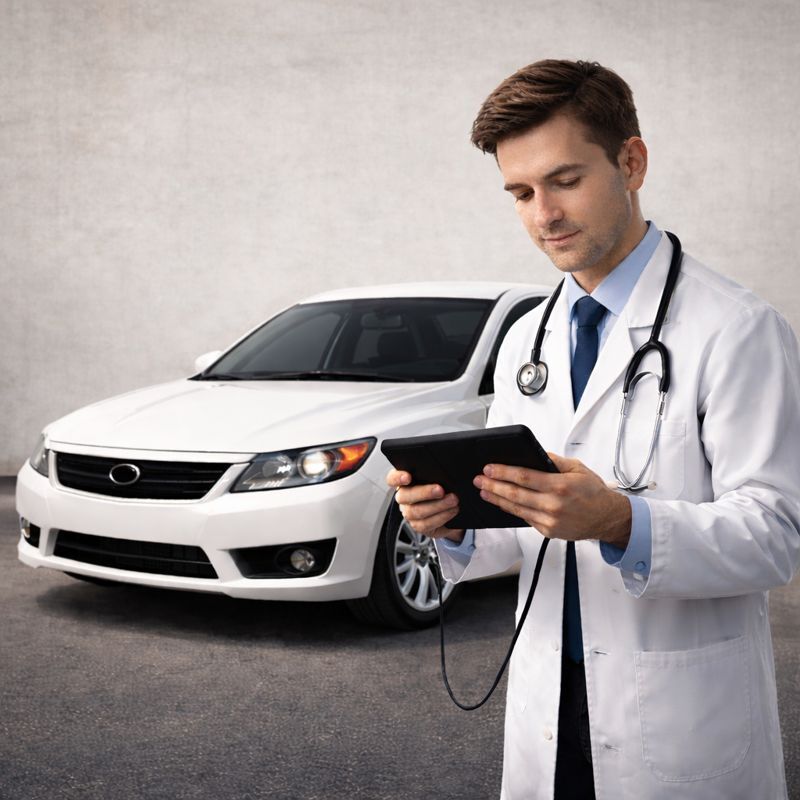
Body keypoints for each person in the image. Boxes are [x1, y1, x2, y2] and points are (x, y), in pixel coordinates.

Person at [387, 59, 800, 800]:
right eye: (520, 192)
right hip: (550, 707)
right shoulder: (526, 341)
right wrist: (452, 527)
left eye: (565, 180)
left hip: (679, 714)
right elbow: (518, 533)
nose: (543, 213)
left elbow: (776, 535)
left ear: (631, 162)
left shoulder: (736, 330)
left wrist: (621, 522)